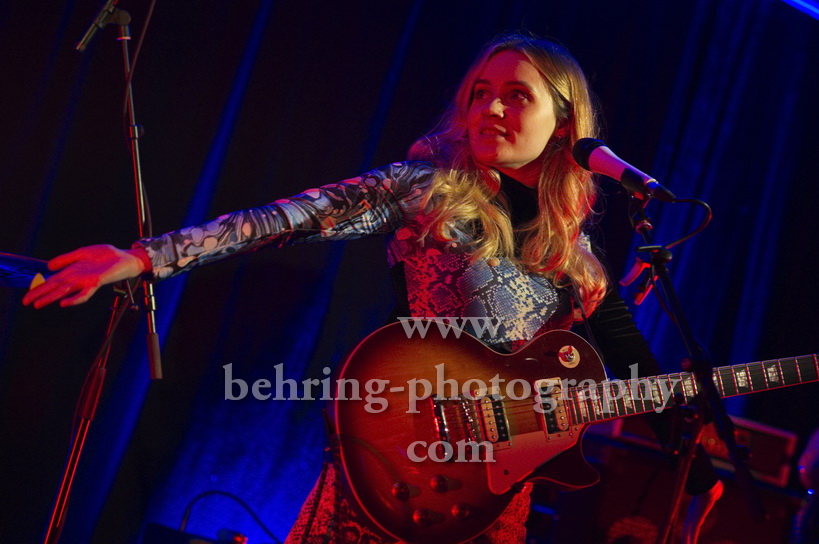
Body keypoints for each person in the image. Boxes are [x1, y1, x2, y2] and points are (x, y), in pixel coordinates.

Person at [23, 34, 722, 543]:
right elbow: (283, 220)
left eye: (517, 96)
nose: (490, 108)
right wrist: (142, 258)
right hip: (395, 471)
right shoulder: (426, 189)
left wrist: (699, 463)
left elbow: (633, 364)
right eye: (480, 93)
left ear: (564, 123)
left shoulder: (575, 255)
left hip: (492, 503)